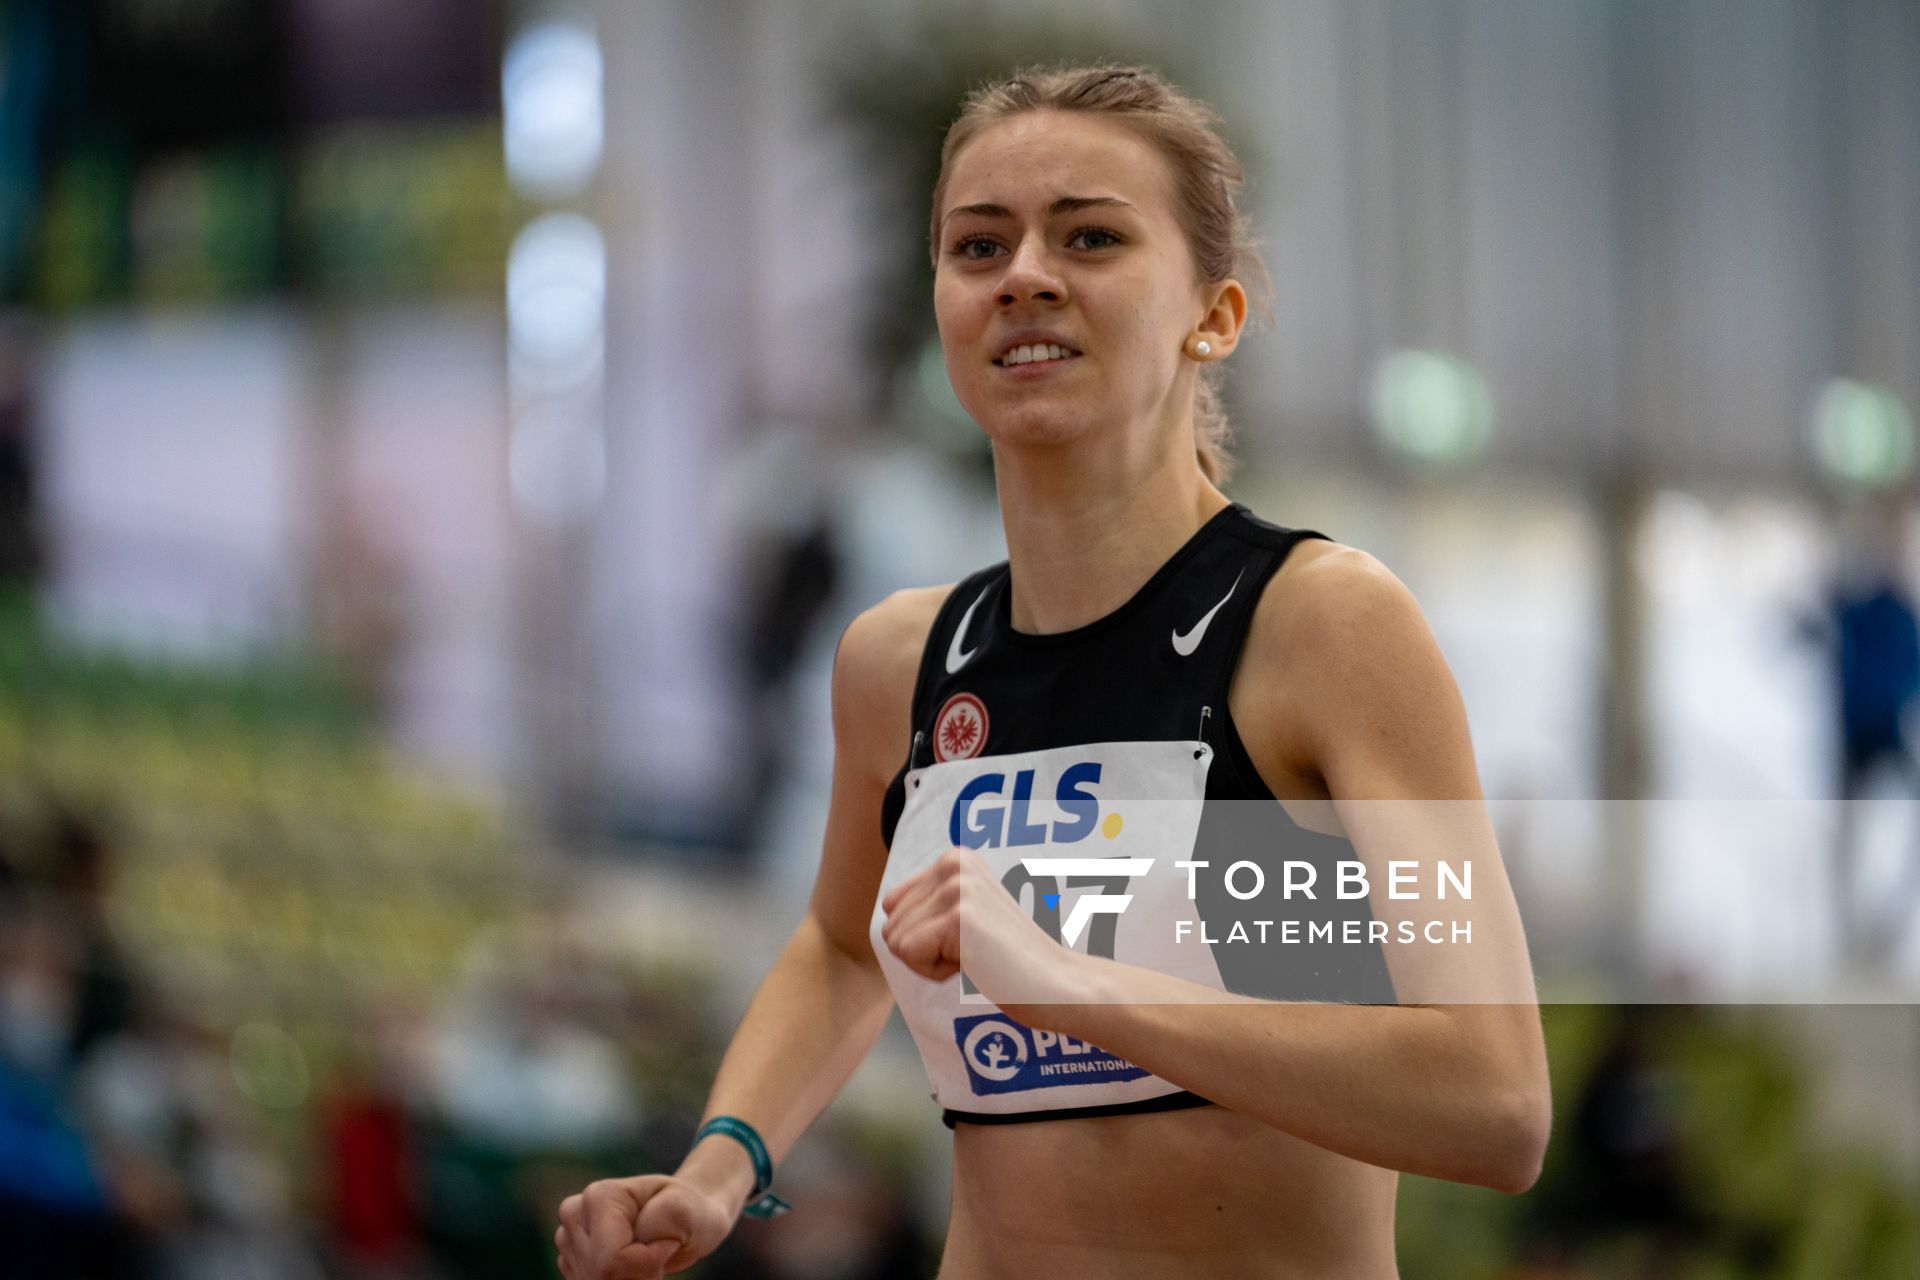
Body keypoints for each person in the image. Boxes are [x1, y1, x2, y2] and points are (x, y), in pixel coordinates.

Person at [556, 62, 1550, 1279]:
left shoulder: (1320, 627)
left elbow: (1495, 1102)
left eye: (1090, 235)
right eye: (979, 246)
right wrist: (718, 1166)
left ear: (1215, 313)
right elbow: (843, 943)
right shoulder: (900, 661)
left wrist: (1078, 985)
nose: (1025, 272)